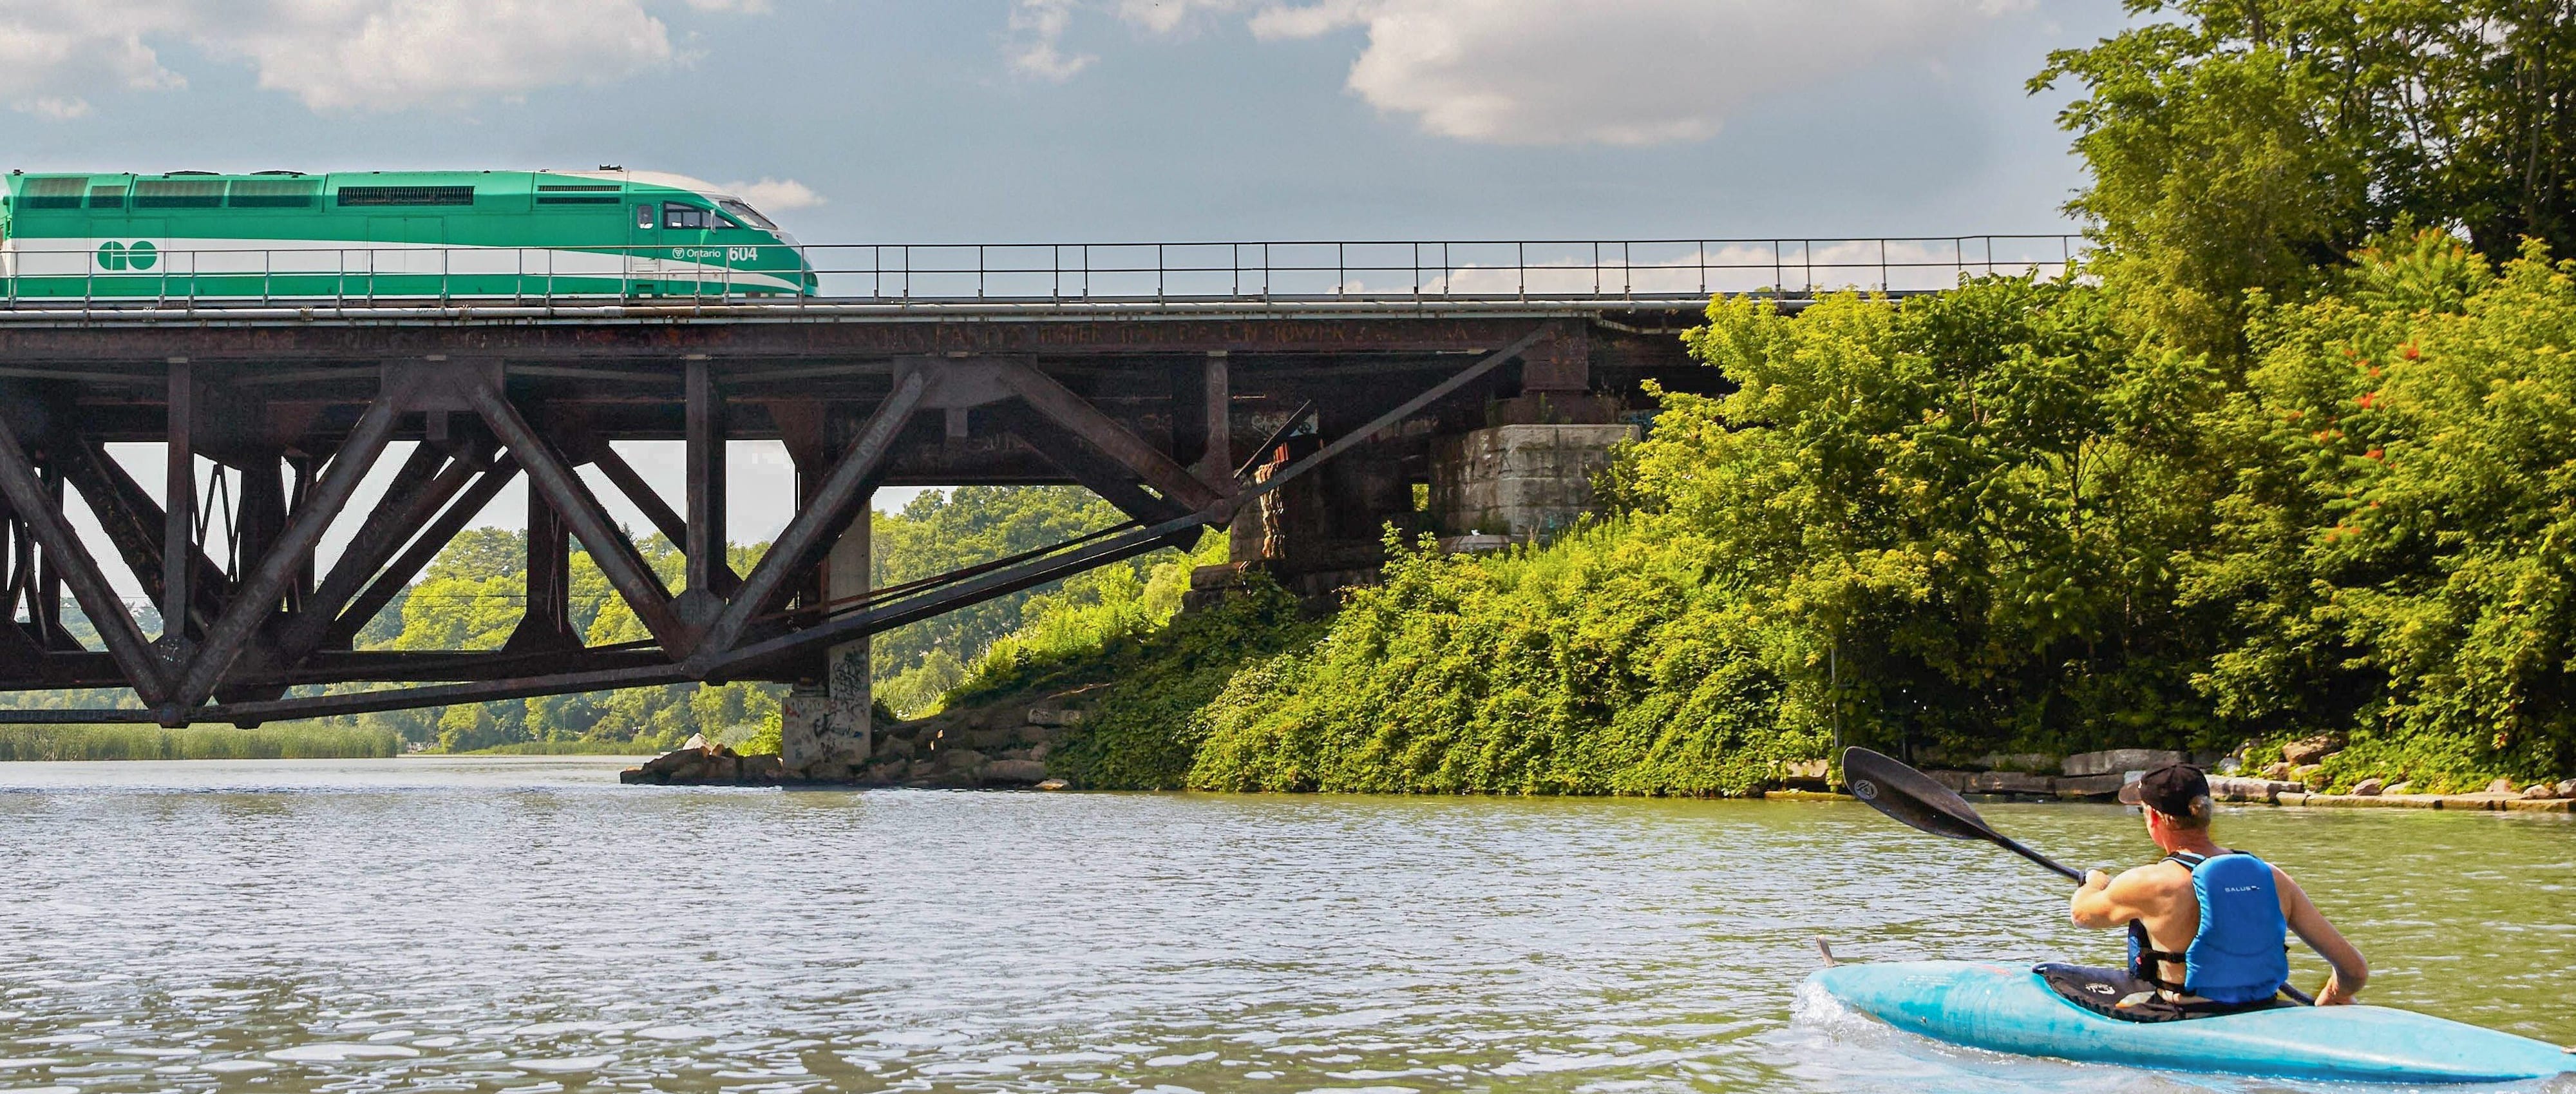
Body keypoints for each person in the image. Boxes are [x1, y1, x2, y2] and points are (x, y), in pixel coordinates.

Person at [2069, 762, 2369, 1008]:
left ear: (2155, 817)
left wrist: (2095, 881)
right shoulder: (2272, 876)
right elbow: (2354, 971)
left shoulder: (2149, 882)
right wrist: (2333, 996)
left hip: (2186, 1014)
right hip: (2264, 1008)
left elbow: (2082, 915)